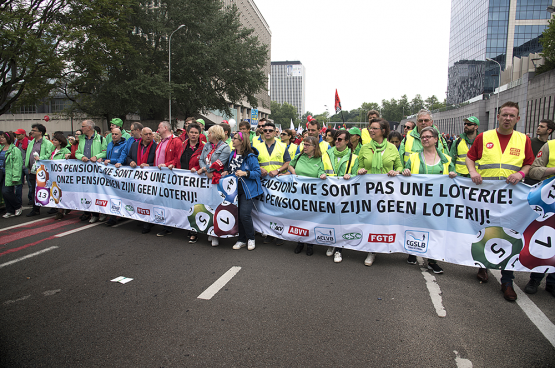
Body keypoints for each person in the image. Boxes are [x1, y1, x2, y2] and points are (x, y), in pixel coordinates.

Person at [466, 101, 535, 301]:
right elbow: (471, 158)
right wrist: (473, 172)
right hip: (486, 197)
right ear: (498, 116)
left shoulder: (523, 139)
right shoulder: (484, 137)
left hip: (511, 199)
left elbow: (529, 162)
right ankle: (483, 266)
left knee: (510, 235)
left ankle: (507, 280)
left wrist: (521, 174)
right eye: (504, 115)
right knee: (485, 231)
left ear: (517, 119)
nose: (507, 118)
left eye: (511, 116)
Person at [402, 126, 456, 274]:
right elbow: (405, 174)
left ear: (436, 139)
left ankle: (432, 260)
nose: (425, 139)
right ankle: (412, 252)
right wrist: (405, 172)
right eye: (422, 137)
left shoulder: (446, 160)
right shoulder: (413, 157)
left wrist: (453, 174)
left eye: (428, 136)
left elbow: (454, 175)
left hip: (437, 203)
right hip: (417, 201)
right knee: (415, 227)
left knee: (435, 231)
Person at [357, 118, 403, 266]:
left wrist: (395, 172)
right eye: (370, 128)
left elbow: (400, 167)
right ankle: (371, 250)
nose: (371, 130)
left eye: (374, 128)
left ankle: (382, 245)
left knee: (383, 219)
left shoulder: (391, 148)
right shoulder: (364, 148)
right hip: (369, 190)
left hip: (386, 191)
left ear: (383, 131)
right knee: (370, 219)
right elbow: (358, 167)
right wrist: (360, 170)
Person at [322, 129, 359, 263]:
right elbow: (321, 167)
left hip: (344, 195)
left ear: (347, 141)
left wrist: (351, 176)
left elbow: (356, 176)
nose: (336, 142)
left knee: (341, 222)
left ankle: (339, 249)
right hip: (329, 193)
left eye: (340, 139)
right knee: (331, 221)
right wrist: (321, 173)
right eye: (336, 139)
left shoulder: (354, 158)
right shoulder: (326, 153)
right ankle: (332, 243)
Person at [221, 131, 263, 251]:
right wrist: (227, 172)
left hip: (247, 190)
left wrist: (245, 173)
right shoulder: (232, 154)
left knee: (244, 215)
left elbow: (257, 172)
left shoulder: (250, 156)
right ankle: (241, 239)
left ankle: (251, 238)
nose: (232, 140)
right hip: (234, 190)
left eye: (234, 139)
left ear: (241, 141)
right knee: (237, 215)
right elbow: (230, 169)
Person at [286, 136, 326, 256]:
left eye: (308, 145)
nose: (305, 147)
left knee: (310, 220)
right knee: (299, 219)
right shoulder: (299, 156)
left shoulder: (320, 159)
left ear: (314, 147)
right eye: (304, 144)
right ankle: (300, 242)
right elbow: (290, 165)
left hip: (312, 196)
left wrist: (322, 174)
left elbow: (321, 170)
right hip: (298, 195)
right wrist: (293, 173)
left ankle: (310, 244)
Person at [252, 122, 291, 246]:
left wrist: (278, 170)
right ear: (262, 132)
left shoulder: (282, 146)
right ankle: (269, 233)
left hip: (278, 183)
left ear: (275, 132)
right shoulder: (257, 146)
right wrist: (259, 168)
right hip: (263, 182)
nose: (267, 132)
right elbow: (253, 162)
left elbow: (287, 162)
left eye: (270, 130)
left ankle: (280, 234)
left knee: (279, 209)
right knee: (266, 209)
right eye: (265, 130)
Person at [193, 125, 231, 246]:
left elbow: (219, 163)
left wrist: (205, 169)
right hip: (205, 178)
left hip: (217, 180)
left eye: (209, 133)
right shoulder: (207, 145)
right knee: (206, 205)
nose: (207, 135)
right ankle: (209, 231)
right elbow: (201, 159)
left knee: (216, 206)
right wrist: (205, 170)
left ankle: (216, 233)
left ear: (215, 134)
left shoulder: (225, 147)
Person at [172, 123, 204, 241]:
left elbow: (205, 162)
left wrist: (196, 167)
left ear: (199, 134)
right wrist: (171, 164)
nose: (193, 135)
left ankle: (194, 231)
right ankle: (186, 226)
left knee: (194, 206)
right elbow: (177, 158)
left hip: (196, 181)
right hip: (182, 180)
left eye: (196, 133)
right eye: (191, 132)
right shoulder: (183, 145)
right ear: (188, 133)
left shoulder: (203, 147)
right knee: (184, 204)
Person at [75, 120, 108, 222]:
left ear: (89, 127)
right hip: (85, 170)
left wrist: (96, 156)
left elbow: (105, 152)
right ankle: (93, 214)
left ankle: (102, 212)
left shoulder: (101, 139)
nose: (82, 128)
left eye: (83, 126)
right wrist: (82, 157)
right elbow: (77, 152)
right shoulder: (81, 139)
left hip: (97, 170)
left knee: (99, 192)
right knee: (89, 192)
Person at [25, 123, 54, 217]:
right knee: (34, 189)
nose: (32, 132)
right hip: (33, 171)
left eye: (34, 130)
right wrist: (28, 167)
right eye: (32, 130)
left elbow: (50, 155)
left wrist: (40, 158)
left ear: (40, 132)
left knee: (47, 188)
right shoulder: (31, 142)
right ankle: (35, 208)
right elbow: (28, 156)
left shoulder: (47, 143)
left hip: (43, 171)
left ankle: (54, 207)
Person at [525, 119, 555, 185]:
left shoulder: (550, 144)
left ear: (549, 130)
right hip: (529, 179)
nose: (538, 128)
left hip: (545, 181)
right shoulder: (530, 142)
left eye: (542, 127)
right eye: (539, 126)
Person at [0, 132, 23, 218]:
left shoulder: (14, 149)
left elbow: (17, 164)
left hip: (9, 174)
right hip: (2, 174)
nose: (1, 139)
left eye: (3, 137)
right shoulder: (1, 148)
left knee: (7, 191)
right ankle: (9, 210)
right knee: (4, 193)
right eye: (1, 137)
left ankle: (17, 206)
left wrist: (15, 176)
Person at [49, 132, 71, 220]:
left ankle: (60, 211)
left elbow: (69, 159)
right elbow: (47, 157)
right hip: (53, 175)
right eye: (53, 140)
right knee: (56, 192)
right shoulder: (52, 150)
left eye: (55, 140)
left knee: (61, 193)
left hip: (62, 175)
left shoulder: (65, 150)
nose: (53, 141)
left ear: (60, 142)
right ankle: (63, 207)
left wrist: (68, 156)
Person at [14, 128, 30, 204]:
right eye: (16, 134)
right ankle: (18, 200)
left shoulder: (29, 142)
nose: (17, 136)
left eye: (18, 134)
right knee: (18, 185)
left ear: (23, 134)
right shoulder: (16, 143)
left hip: (27, 166)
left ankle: (31, 199)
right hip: (19, 166)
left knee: (30, 184)